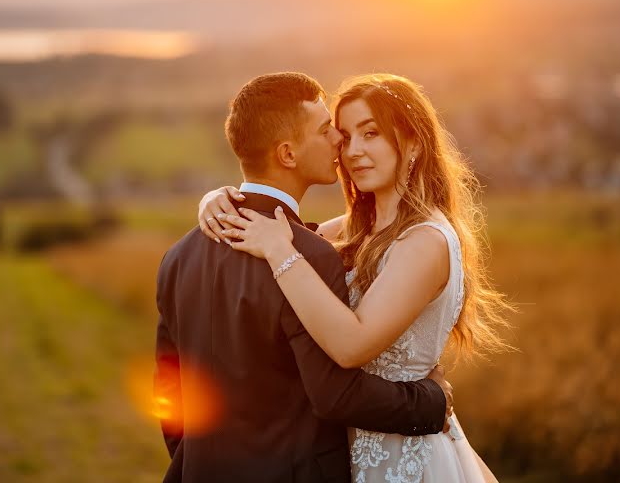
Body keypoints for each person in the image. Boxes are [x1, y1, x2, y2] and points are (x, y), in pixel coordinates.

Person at [200, 73, 511, 482]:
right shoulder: (354, 230)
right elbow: (279, 222)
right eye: (344, 136)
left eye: (371, 134)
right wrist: (216, 200)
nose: (353, 151)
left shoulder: (426, 242)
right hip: (345, 454)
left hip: (405, 455)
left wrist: (279, 251)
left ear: (414, 142)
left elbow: (352, 346)